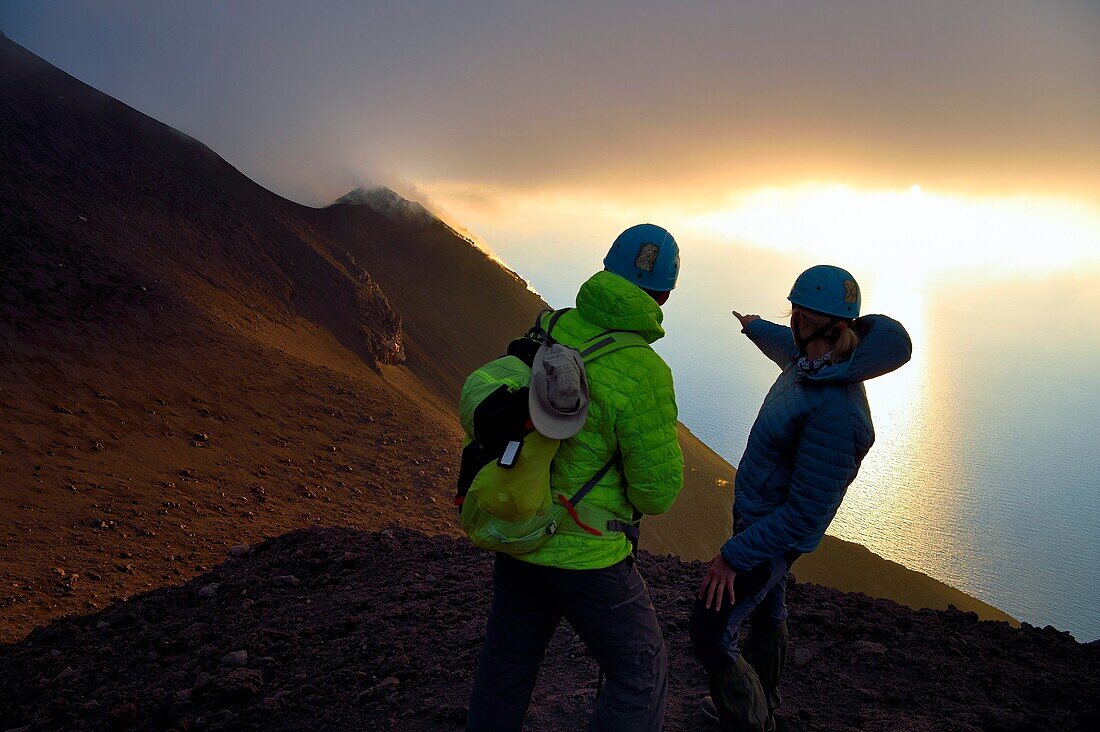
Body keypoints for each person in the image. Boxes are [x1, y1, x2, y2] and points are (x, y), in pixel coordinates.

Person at [467, 224, 685, 732]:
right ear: (665, 294)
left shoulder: (551, 327)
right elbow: (657, 493)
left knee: (506, 665)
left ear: (606, 268)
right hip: (589, 555)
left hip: (520, 531)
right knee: (640, 672)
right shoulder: (645, 371)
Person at [690, 265, 912, 731]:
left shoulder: (837, 410)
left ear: (808, 321)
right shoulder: (813, 364)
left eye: (793, 312)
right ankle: (762, 701)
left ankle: (748, 722)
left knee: (710, 629)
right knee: (768, 609)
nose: (789, 319)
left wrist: (732, 556)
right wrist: (752, 326)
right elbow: (783, 346)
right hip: (759, 520)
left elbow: (805, 514)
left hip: (770, 534)